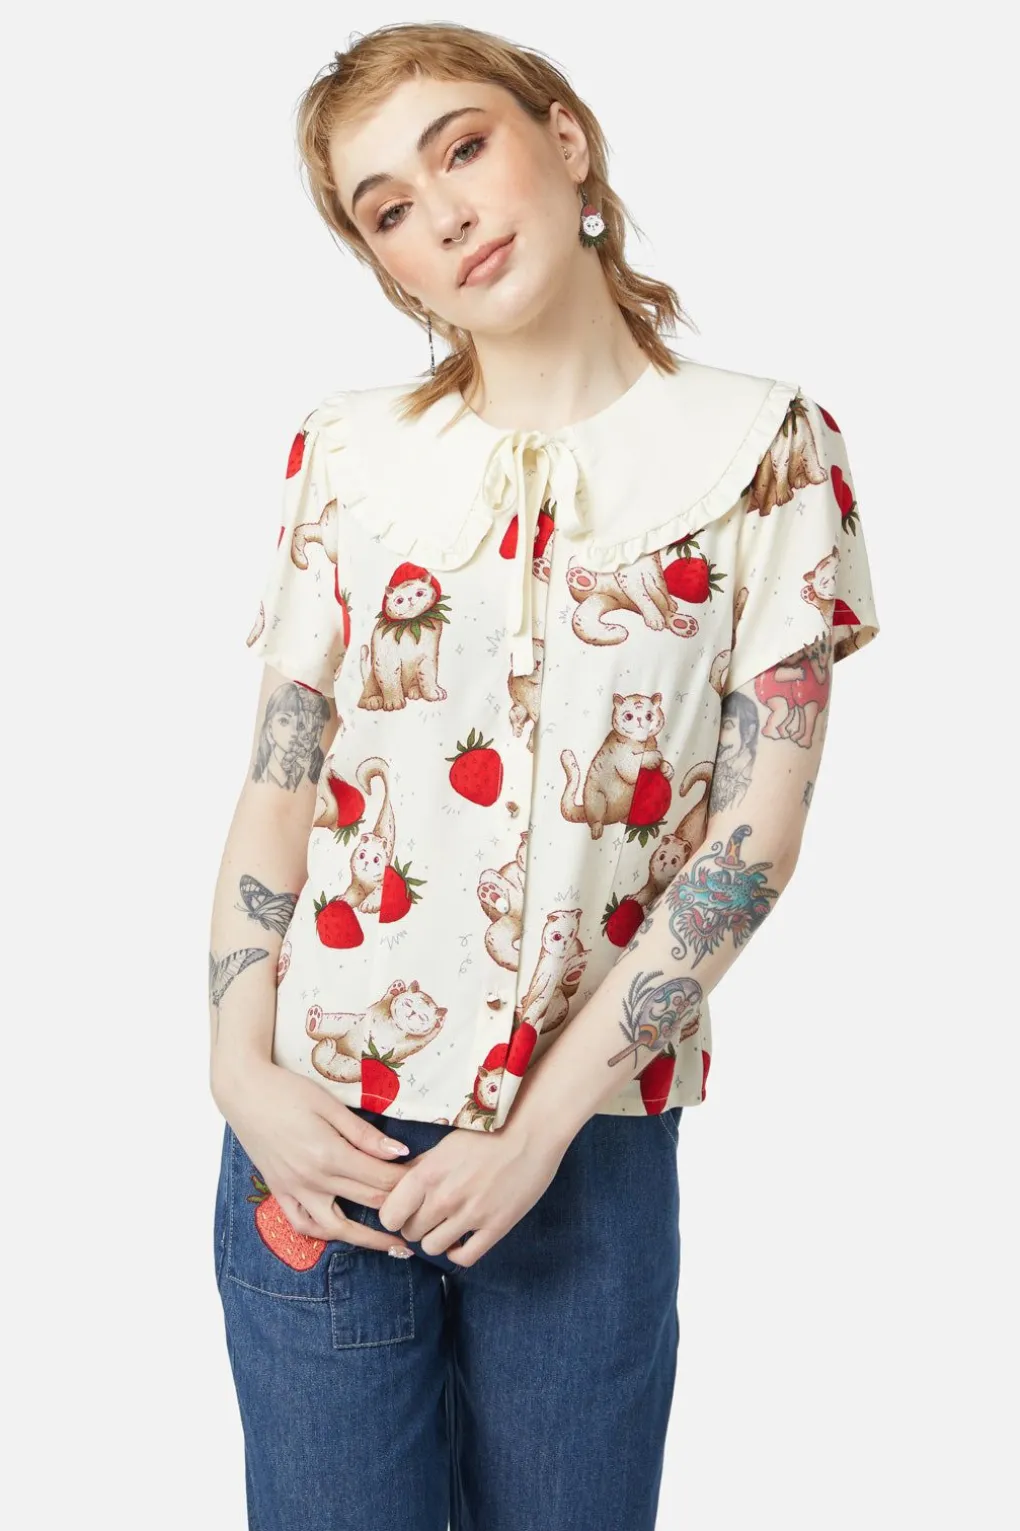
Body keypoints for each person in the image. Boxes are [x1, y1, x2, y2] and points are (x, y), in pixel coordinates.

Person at [207, 22, 880, 1531]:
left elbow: (753, 838)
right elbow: (277, 790)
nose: (445, 213)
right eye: (389, 207)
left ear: (564, 138)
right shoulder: (344, 458)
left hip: (584, 1150)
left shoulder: (769, 449)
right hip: (316, 1141)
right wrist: (238, 1066)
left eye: (464, 145)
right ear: (387, 264)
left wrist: (538, 1129)